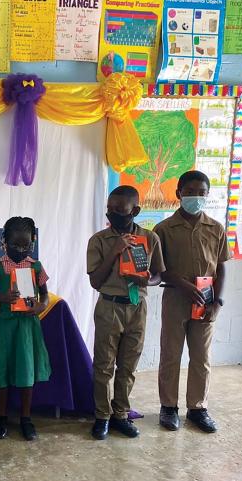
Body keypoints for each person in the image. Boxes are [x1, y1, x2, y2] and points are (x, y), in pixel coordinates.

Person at [154, 170, 230, 433]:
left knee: (202, 356)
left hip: (206, 301)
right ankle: (169, 407)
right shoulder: (163, 229)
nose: (196, 197)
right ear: (179, 194)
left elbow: (221, 266)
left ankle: (198, 408)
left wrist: (217, 301)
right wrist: (182, 284)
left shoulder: (216, 228)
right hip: (176, 298)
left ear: (208, 195)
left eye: (202, 193)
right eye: (190, 192)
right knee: (171, 354)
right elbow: (158, 269)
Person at [86, 186, 164, 440]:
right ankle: (102, 416)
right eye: (110, 210)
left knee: (128, 365)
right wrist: (115, 250)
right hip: (109, 306)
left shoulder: (150, 239)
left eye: (121, 210)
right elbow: (95, 281)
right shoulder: (99, 240)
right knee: (104, 365)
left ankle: (121, 413)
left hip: (137, 307)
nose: (114, 214)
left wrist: (145, 281)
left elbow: (158, 275)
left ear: (136, 211)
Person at [0, 217, 51, 441]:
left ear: (33, 242)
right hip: (5, 324)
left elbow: (45, 294)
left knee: (26, 370)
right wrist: (1, 297)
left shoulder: (36, 266)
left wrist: (42, 305)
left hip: (28, 327)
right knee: (3, 370)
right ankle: (1, 417)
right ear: (4, 242)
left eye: (26, 245)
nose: (21, 249)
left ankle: (26, 418)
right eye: (15, 245)